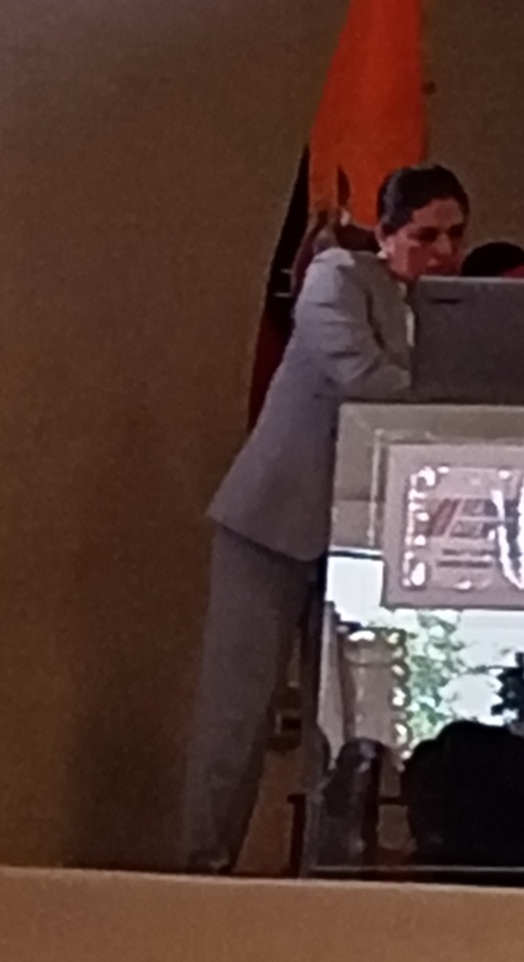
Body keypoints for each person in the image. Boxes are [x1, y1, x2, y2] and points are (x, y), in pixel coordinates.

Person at [179, 163, 468, 872]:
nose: (443, 251)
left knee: (345, 725)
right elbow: (365, 381)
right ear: (386, 232)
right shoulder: (336, 274)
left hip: (359, 541)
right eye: (426, 235)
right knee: (238, 712)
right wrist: (470, 400)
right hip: (272, 525)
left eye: (455, 235)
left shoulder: (452, 309)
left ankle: (330, 874)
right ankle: (201, 871)